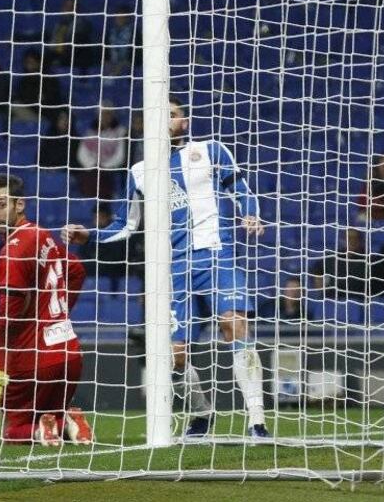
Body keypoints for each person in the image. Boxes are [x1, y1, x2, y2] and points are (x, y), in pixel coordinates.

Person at [62, 96, 270, 438]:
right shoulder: (140, 171)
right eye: (159, 114)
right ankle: (202, 414)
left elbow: (241, 189)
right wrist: (90, 235)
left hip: (216, 256)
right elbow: (127, 224)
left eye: (172, 114)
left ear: (183, 123)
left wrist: (251, 214)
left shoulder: (210, 151)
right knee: (175, 355)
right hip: (174, 269)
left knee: (234, 325)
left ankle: (257, 421)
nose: (165, 119)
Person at [0, 174, 92, 446]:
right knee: (48, 417)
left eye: (2, 205)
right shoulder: (42, 235)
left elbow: (7, 319)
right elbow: (77, 270)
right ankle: (67, 421)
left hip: (32, 362)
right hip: (69, 354)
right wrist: (54, 315)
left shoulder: (13, 251)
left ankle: (42, 430)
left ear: (20, 204)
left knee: (12, 430)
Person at [75, 105, 128, 198]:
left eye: (108, 114)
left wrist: (105, 166)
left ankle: (104, 201)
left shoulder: (120, 132)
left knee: (102, 178)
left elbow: (120, 156)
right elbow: (82, 154)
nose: (105, 117)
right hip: (92, 169)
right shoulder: (90, 133)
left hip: (110, 170)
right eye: (103, 114)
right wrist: (92, 165)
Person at [310, 228, 369, 300]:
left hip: (358, 299)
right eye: (348, 238)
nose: (351, 241)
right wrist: (319, 281)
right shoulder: (334, 258)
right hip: (333, 298)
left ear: (360, 240)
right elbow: (317, 268)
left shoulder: (368, 259)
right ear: (343, 240)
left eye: (355, 238)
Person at [12, 48, 62, 125]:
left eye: (32, 62)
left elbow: (52, 99)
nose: (29, 65)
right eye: (27, 62)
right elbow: (23, 98)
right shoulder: (23, 81)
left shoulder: (49, 79)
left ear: (38, 63)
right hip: (31, 112)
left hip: (47, 114)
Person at [45, 0, 95, 70]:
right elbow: (53, 44)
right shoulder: (59, 25)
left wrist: (59, 59)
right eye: (66, 6)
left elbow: (74, 47)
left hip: (75, 59)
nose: (67, 10)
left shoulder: (82, 25)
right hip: (59, 55)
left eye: (71, 7)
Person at [104, 5, 140, 75]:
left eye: (122, 18)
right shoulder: (110, 32)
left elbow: (138, 53)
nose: (120, 20)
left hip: (129, 64)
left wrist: (127, 62)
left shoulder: (134, 33)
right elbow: (105, 51)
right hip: (112, 63)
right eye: (118, 17)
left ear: (128, 18)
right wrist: (106, 61)